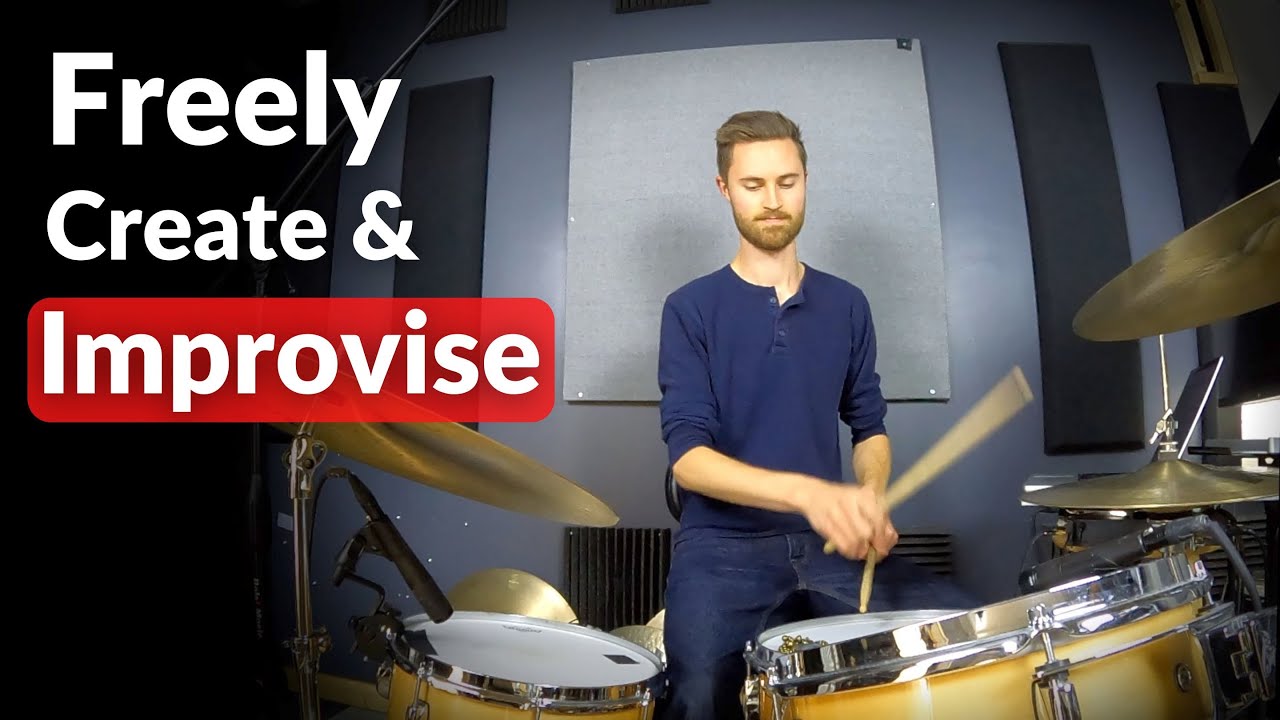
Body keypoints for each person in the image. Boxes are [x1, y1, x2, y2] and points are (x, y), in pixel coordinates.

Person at [655, 110, 978, 720]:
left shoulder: (847, 304)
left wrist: (871, 495)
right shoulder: (689, 308)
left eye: (787, 181)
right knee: (697, 695)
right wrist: (810, 493)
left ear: (806, 180)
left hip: (830, 547)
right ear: (724, 188)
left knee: (965, 638)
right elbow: (689, 461)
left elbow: (869, 428)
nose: (773, 201)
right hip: (722, 549)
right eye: (753, 185)